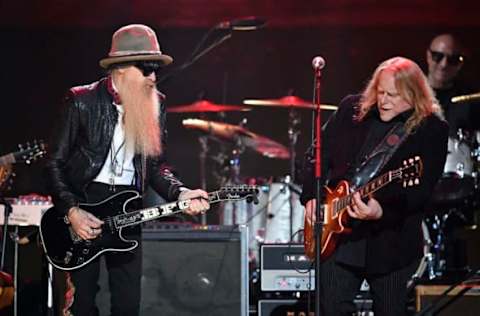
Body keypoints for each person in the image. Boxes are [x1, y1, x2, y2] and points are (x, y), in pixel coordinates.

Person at [45, 24, 210, 316]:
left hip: (128, 207)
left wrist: (181, 192)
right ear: (119, 69)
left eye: (155, 68)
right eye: (145, 68)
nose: (153, 77)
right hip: (84, 205)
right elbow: (53, 163)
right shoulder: (81, 101)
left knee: (127, 304)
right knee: (82, 304)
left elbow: (156, 165)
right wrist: (71, 211)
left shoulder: (156, 104)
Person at [301, 57, 448, 315]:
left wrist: (381, 211)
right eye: (380, 92)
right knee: (331, 308)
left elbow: (422, 191)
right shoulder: (351, 110)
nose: (384, 100)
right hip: (338, 237)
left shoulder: (431, 129)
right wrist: (311, 197)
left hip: (390, 242)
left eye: (393, 95)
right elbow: (316, 155)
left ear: (413, 96)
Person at [426, 33, 479, 134]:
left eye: (453, 59)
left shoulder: (470, 99)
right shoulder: (408, 94)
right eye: (438, 56)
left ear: (460, 64)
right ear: (428, 56)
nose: (444, 64)